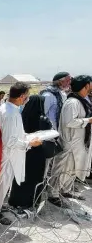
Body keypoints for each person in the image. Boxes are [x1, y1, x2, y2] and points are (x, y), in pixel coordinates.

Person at [0, 82, 42, 224]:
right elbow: (9, 141)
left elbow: (13, 134)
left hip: (7, 154)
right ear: (21, 97)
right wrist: (29, 143)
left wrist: (26, 136)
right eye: (27, 97)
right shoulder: (12, 113)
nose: (27, 100)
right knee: (1, 185)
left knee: (3, 184)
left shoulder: (8, 108)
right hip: (7, 156)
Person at [48, 75, 92, 207]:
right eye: (90, 85)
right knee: (62, 169)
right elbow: (69, 121)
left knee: (72, 169)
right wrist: (88, 121)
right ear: (85, 86)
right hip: (69, 142)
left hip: (78, 142)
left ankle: (65, 190)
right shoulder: (72, 102)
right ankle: (53, 194)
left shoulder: (82, 100)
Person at [9, 95, 51, 210]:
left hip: (24, 151)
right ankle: (31, 202)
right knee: (35, 177)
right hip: (38, 153)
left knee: (21, 176)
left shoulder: (22, 116)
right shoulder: (43, 119)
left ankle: (16, 200)